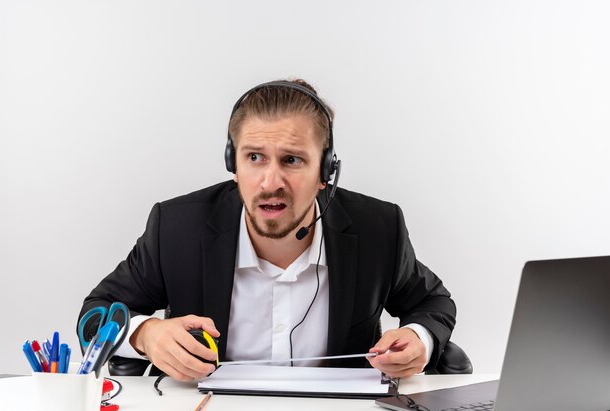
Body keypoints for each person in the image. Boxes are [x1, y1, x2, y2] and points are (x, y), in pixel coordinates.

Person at [78, 79, 456, 382]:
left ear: (326, 172)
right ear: (233, 162)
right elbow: (93, 315)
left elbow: (432, 303)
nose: (269, 181)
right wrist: (146, 336)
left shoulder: (378, 229)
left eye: (291, 160)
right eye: (254, 157)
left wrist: (419, 339)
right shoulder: (177, 228)